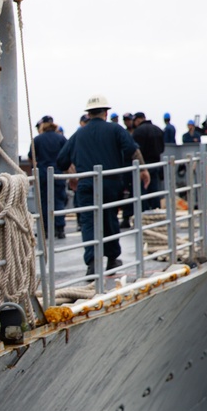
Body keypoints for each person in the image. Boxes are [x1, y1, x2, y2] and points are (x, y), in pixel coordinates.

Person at [57, 94, 148, 277]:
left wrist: (73, 175)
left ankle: (92, 263)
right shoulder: (116, 129)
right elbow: (132, 150)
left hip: (87, 185)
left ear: (88, 114)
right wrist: (143, 170)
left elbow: (61, 160)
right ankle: (112, 259)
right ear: (106, 113)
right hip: (110, 184)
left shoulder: (78, 134)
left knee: (88, 222)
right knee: (110, 219)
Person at [29, 115, 68, 239]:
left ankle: (45, 230)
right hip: (57, 174)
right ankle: (60, 229)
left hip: (43, 174)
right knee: (59, 201)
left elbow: (31, 157)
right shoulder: (61, 138)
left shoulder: (37, 139)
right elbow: (67, 155)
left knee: (44, 202)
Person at [130, 112, 165, 211]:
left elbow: (136, 150)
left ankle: (143, 211)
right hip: (157, 162)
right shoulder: (158, 129)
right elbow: (162, 148)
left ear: (137, 120)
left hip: (143, 165)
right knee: (155, 188)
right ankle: (156, 209)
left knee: (143, 189)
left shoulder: (138, 132)